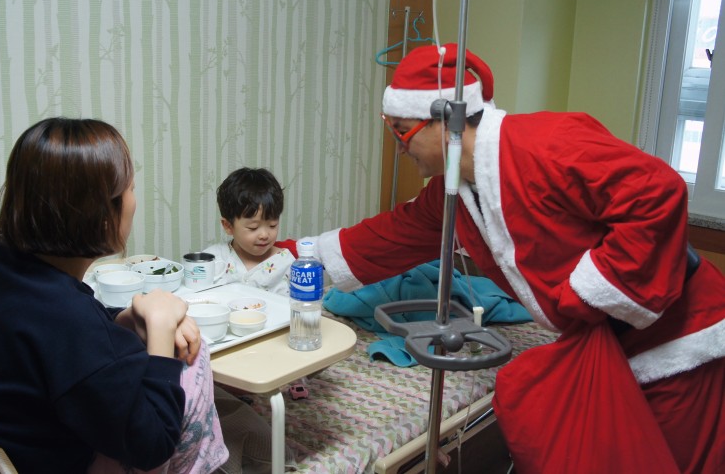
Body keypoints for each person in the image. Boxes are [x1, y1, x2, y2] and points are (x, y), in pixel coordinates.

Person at [280, 44, 725, 474]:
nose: (398, 148)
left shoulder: (546, 143)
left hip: (680, 337)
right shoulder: (455, 194)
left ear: (446, 121)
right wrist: (289, 255)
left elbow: (657, 193)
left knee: (671, 460)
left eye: (401, 131)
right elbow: (388, 237)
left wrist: (584, 295)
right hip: (610, 341)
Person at [0, 118, 228, 474]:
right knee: (193, 361)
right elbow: (152, 446)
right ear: (102, 216)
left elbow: (66, 338)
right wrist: (161, 328)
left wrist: (122, 319)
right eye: (131, 188)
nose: (134, 200)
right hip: (47, 463)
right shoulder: (70, 321)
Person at [203, 167, 294, 296]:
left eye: (272, 225)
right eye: (253, 228)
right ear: (228, 226)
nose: (264, 235)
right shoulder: (214, 259)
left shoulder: (286, 263)